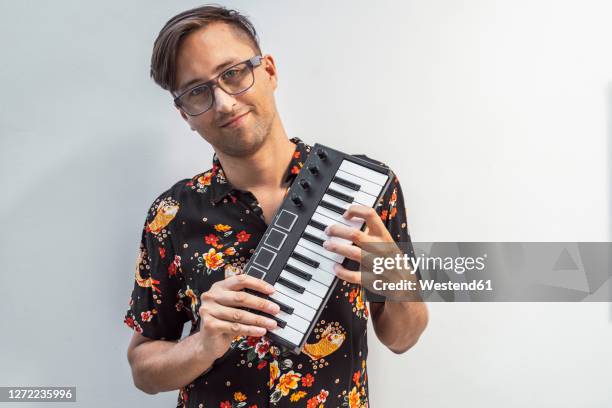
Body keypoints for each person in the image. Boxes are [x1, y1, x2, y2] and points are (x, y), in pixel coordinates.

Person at [123, 5, 428, 407]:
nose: (225, 103)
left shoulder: (365, 188)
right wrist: (202, 345)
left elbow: (402, 338)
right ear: (185, 114)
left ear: (268, 71)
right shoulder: (170, 216)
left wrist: (397, 279)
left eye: (233, 73)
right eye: (198, 91)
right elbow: (143, 369)